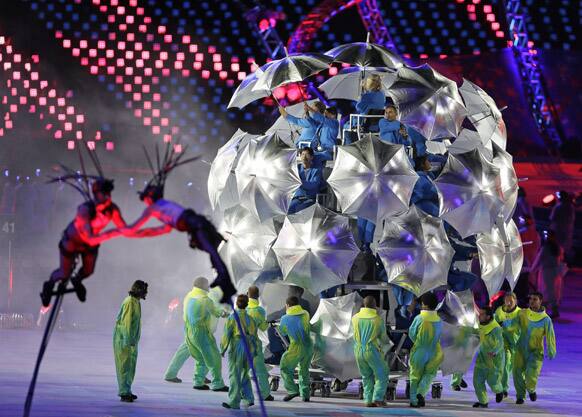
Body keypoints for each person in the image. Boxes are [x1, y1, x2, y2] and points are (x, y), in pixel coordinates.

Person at [119, 146, 236, 303]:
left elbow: (134, 227)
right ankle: (224, 283)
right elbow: (165, 228)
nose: (145, 202)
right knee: (212, 254)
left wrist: (122, 230)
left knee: (213, 253)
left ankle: (226, 285)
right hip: (196, 224)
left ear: (149, 197)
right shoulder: (163, 207)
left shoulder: (153, 208)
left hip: (196, 225)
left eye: (145, 199)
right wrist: (140, 233)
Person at [41, 179, 168, 306]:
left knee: (88, 270)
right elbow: (89, 238)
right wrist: (115, 232)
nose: (108, 197)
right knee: (63, 273)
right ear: (96, 194)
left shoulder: (112, 210)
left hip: (91, 243)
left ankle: (77, 280)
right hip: (73, 240)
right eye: (104, 193)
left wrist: (159, 230)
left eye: (108, 193)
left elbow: (128, 231)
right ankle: (49, 284)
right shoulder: (85, 210)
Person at [163, 285, 223, 384]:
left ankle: (170, 374)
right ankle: (200, 377)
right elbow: (215, 311)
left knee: (185, 352)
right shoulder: (214, 296)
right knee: (209, 354)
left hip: (194, 329)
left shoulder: (211, 294)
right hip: (202, 330)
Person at [511, 292, 556, 404]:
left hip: (535, 352)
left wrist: (551, 350)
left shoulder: (546, 319)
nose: (532, 301)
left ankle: (531, 390)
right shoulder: (522, 313)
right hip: (520, 349)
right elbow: (512, 326)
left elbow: (550, 336)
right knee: (516, 372)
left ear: (540, 301)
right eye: (530, 299)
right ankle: (520, 396)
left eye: (535, 299)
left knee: (531, 375)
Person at [184, 277, 228, 391]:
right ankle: (217, 384)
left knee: (200, 358)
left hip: (189, 332)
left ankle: (198, 382)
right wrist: (225, 313)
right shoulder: (205, 300)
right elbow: (216, 312)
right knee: (214, 358)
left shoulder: (190, 298)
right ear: (204, 286)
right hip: (201, 333)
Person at [113, 280, 148, 402]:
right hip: (124, 339)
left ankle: (127, 390)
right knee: (124, 365)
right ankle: (124, 392)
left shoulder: (136, 302)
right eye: (144, 290)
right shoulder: (130, 303)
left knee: (130, 365)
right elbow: (126, 323)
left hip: (131, 340)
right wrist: (128, 340)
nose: (146, 293)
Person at [352, 296, 389, 407]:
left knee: (366, 376)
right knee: (382, 374)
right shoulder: (377, 319)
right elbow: (383, 339)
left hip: (358, 350)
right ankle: (377, 397)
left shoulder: (355, 318)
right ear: (375, 305)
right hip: (371, 350)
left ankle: (368, 400)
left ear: (364, 305)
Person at [221, 294, 257, 409]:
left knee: (235, 374)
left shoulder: (233, 317)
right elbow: (254, 336)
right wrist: (254, 350)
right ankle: (248, 397)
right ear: (247, 304)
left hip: (237, 346)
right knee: (244, 373)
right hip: (249, 347)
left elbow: (227, 334)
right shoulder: (250, 319)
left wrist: (223, 349)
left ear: (236, 303)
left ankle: (234, 401)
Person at [408, 292, 443, 408]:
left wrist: (418, 342)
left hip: (420, 350)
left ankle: (414, 400)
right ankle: (421, 393)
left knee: (415, 375)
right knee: (429, 375)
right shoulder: (439, 319)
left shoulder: (419, 318)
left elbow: (412, 333)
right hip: (435, 352)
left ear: (425, 305)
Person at [279, 295, 314, 402]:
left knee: (284, 367)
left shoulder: (285, 318)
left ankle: (292, 390)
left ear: (287, 305)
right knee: (304, 370)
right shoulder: (306, 314)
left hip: (295, 347)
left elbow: (282, 332)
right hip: (308, 346)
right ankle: (305, 395)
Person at [472, 306, 505, 408]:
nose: (479, 316)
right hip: (482, 357)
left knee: (493, 382)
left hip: (494, 360)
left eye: (482, 314)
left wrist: (494, 352)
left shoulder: (496, 328)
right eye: (479, 313)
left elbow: (500, 343)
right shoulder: (478, 325)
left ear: (488, 317)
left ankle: (499, 391)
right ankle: (483, 401)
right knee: (477, 381)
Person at [246, 286, 273, 401]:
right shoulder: (260, 310)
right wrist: (268, 324)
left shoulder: (242, 308)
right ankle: (265, 394)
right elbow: (263, 327)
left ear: (247, 294)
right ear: (258, 296)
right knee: (261, 370)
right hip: (254, 343)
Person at [530, 230, 565, 318]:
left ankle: (552, 310)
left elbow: (539, 258)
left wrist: (532, 269)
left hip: (547, 270)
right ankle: (548, 309)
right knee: (552, 290)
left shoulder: (546, 247)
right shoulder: (557, 247)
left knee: (547, 290)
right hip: (556, 271)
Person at [494, 292, 521, 397]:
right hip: (504, 342)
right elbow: (494, 325)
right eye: (507, 300)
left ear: (516, 301)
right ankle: (504, 388)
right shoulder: (499, 311)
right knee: (504, 364)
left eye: (511, 300)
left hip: (517, 343)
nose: (509, 302)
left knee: (517, 368)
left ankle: (521, 390)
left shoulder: (520, 313)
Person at [288, 147, 325, 214]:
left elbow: (313, 184)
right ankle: (284, 223)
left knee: (299, 210)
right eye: (302, 154)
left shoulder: (316, 170)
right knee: (288, 208)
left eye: (307, 155)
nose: (304, 157)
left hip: (310, 198)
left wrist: (300, 182)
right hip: (297, 197)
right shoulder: (297, 168)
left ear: (311, 157)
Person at [549, 190, 576, 258]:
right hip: (567, 230)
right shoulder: (570, 207)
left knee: (557, 247)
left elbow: (552, 218)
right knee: (566, 247)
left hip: (558, 230)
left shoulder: (558, 206)